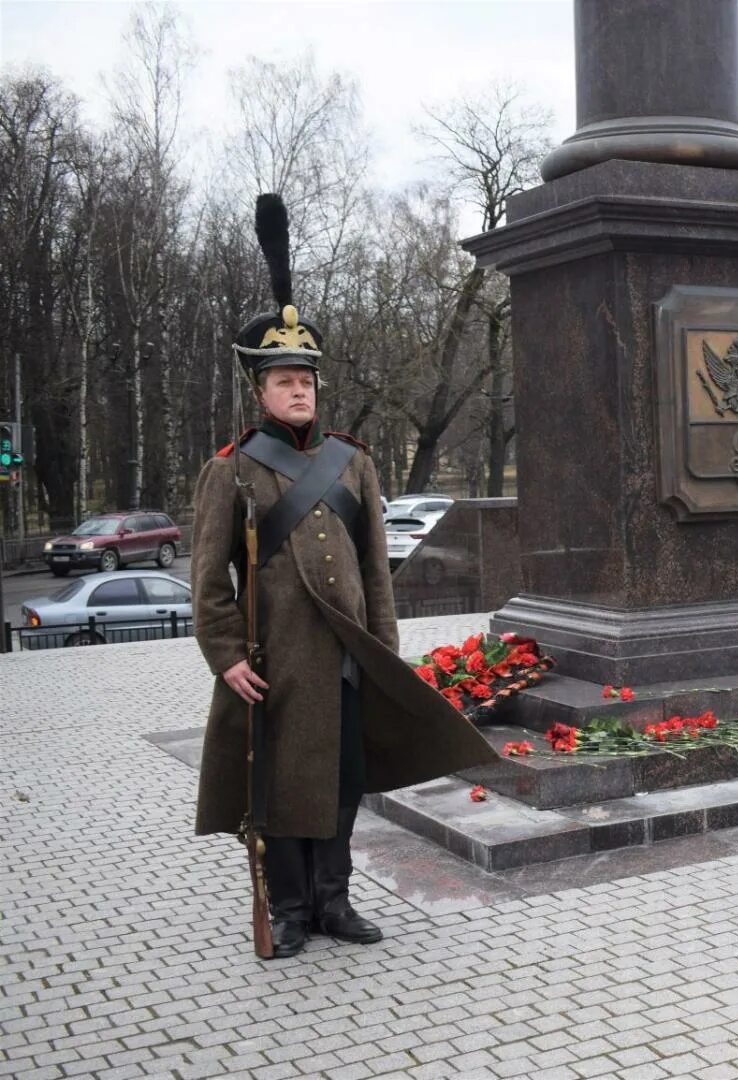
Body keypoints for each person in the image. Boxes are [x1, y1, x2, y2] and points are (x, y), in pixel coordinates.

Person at [192, 194, 495, 958]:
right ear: (259, 391)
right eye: (285, 382)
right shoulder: (230, 473)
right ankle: (291, 909)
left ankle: (334, 903)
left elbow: (374, 569)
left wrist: (383, 652)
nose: (301, 392)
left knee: (341, 788)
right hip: (276, 664)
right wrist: (227, 658)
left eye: (308, 381)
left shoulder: (352, 462)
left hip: (349, 665)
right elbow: (208, 582)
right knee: (284, 791)